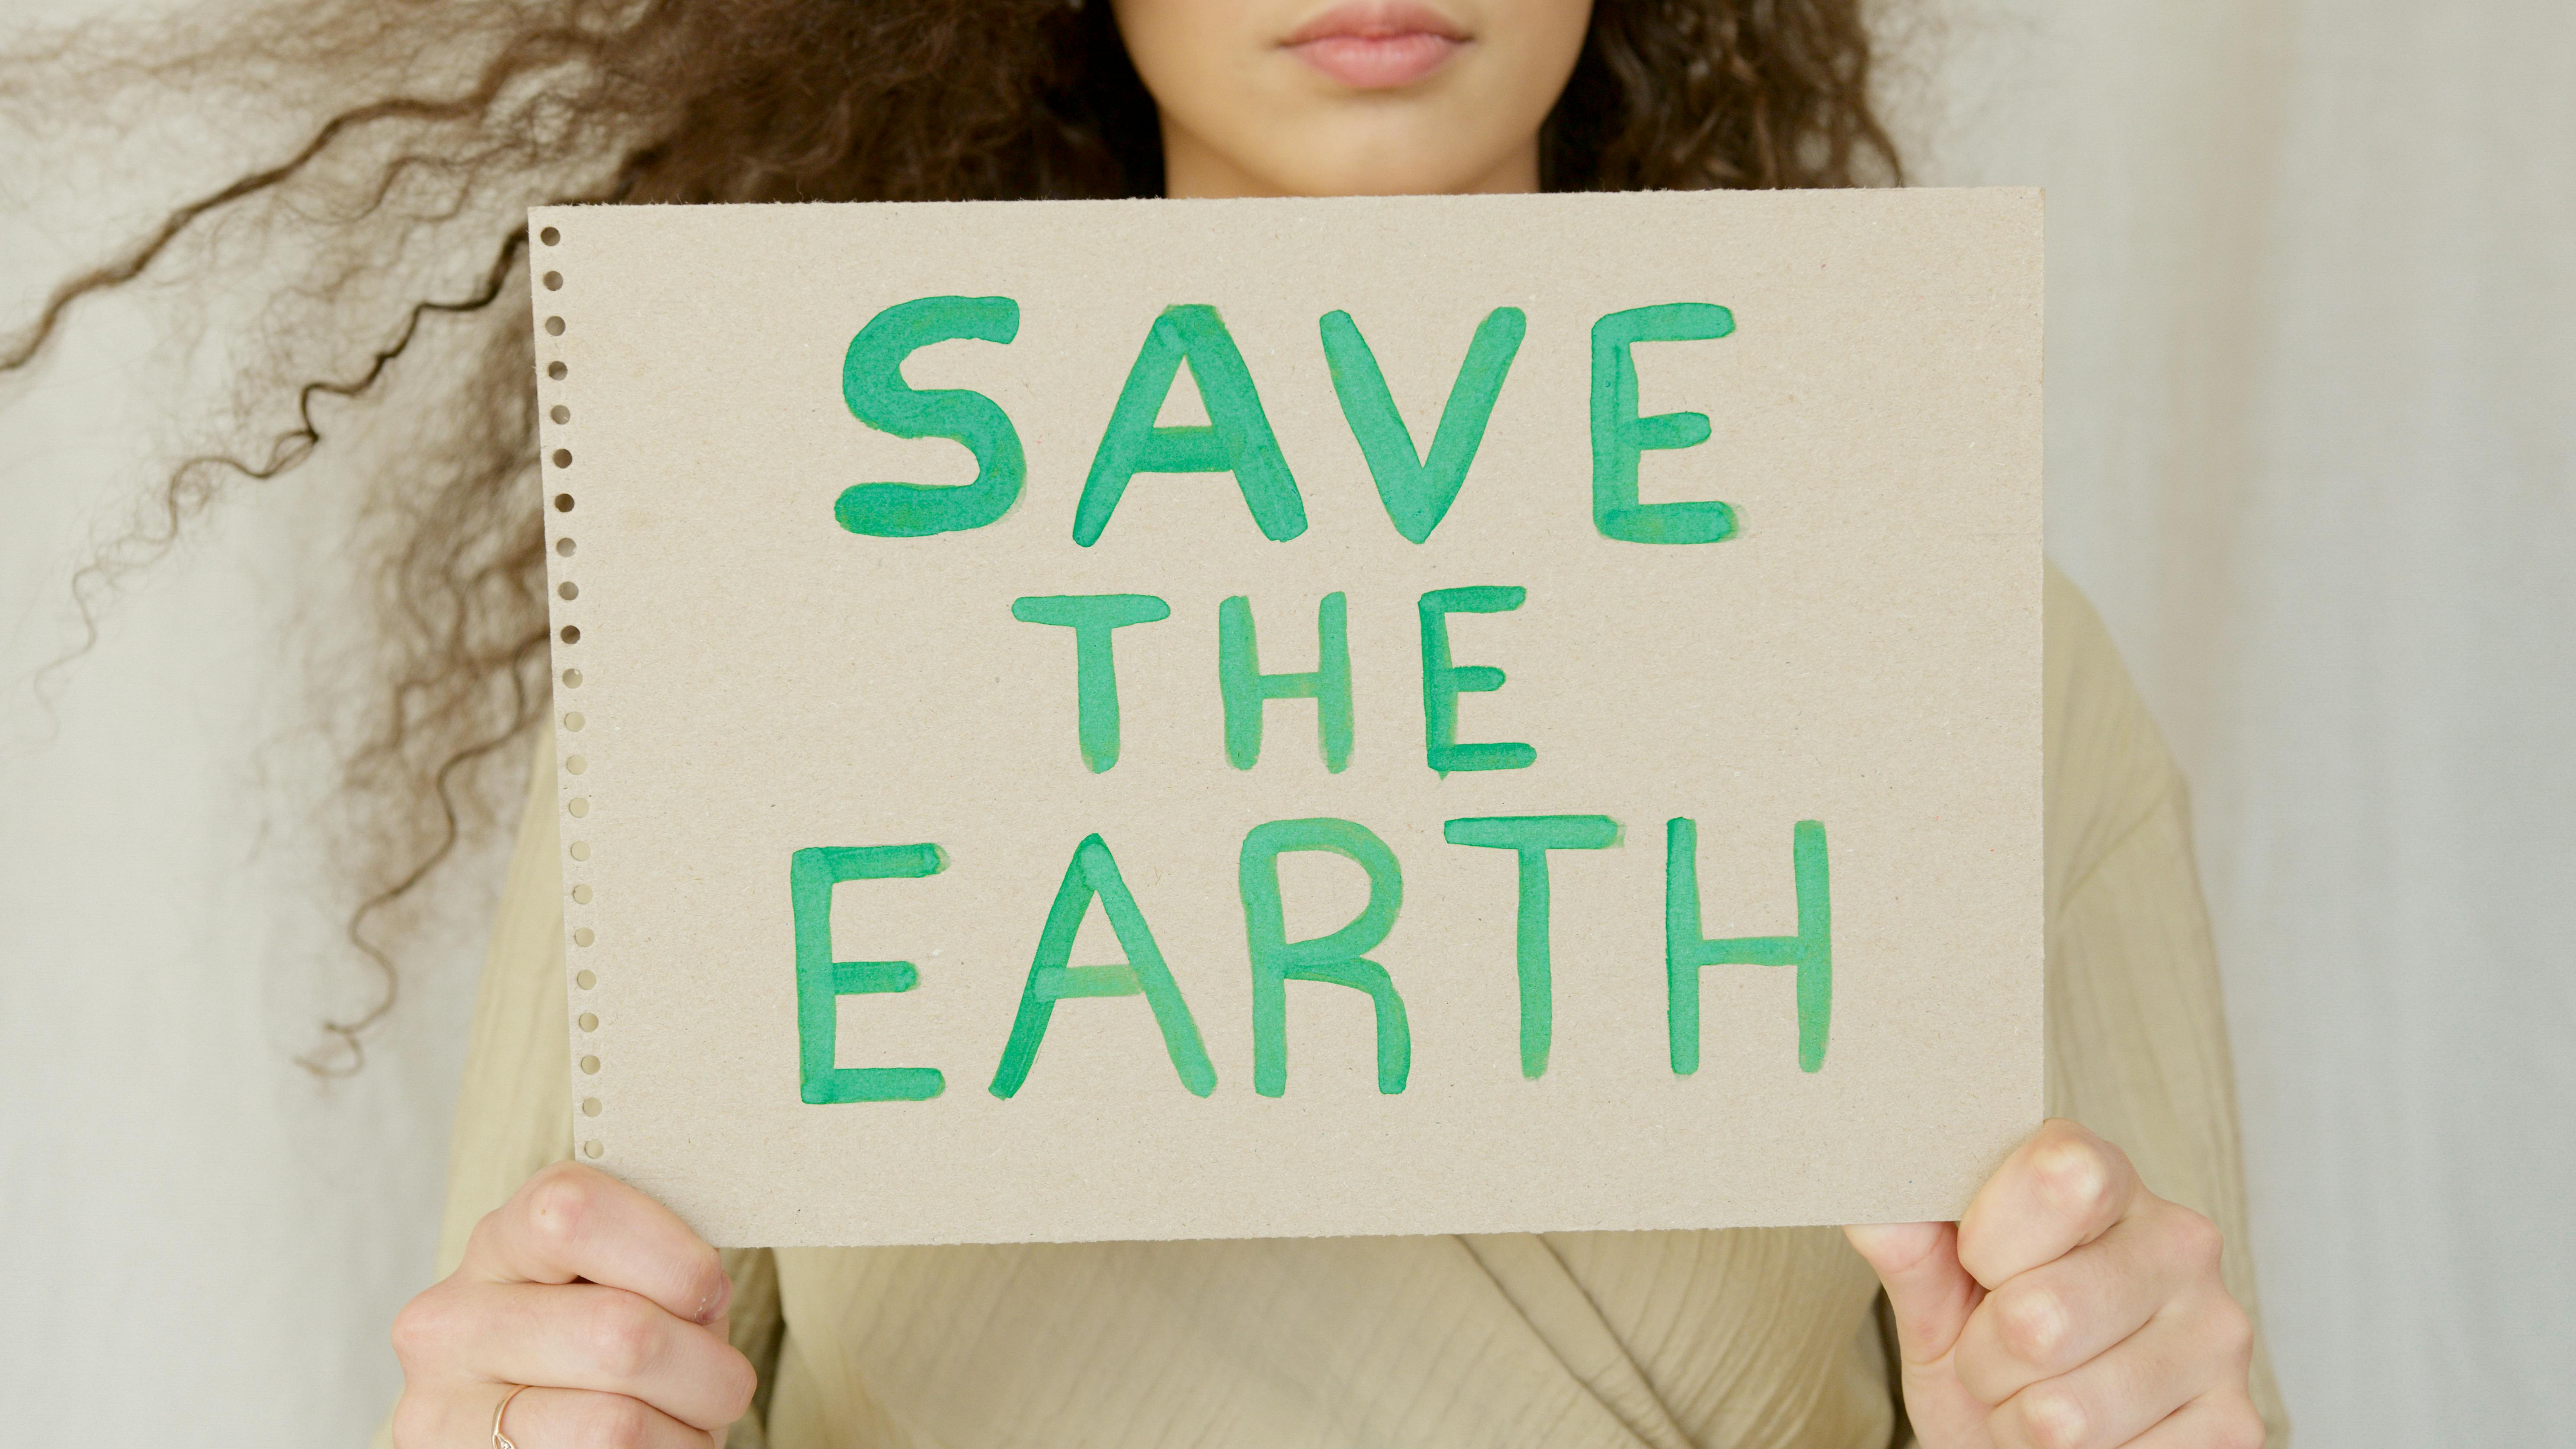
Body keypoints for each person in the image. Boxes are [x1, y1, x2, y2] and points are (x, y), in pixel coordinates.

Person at [6, 0, 2287, 1445]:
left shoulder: (1963, 657)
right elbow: (569, 1335)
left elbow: (2164, 1393)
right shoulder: (765, 656)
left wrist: (2122, 1422)